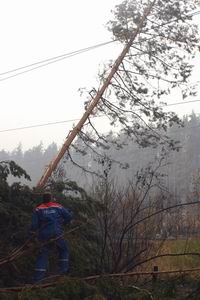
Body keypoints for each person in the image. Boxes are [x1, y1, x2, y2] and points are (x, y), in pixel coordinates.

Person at [30, 192, 73, 283]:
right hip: (56, 234)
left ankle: (37, 280)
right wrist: (66, 219)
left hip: (44, 236)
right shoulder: (57, 206)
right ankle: (63, 272)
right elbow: (68, 216)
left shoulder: (38, 209)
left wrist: (32, 235)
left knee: (43, 255)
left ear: (43, 199)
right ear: (51, 198)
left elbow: (34, 226)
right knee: (64, 250)